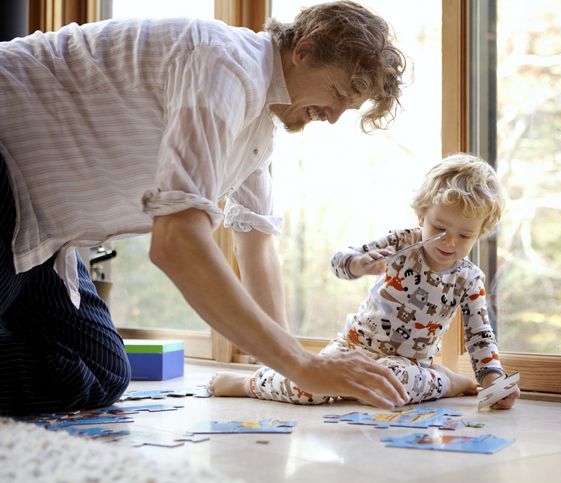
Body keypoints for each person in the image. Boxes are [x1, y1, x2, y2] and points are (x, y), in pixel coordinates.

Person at [0, 1, 411, 415]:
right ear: (303, 51)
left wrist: (289, 371)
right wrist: (302, 364)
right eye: (338, 93)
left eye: (349, 107)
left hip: (41, 231)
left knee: (100, 370)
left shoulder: (257, 133)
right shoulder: (226, 64)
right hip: (5, 172)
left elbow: (256, 244)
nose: (335, 116)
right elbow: (176, 241)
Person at [209, 154, 521, 409]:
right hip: (352, 347)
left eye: (464, 235)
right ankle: (249, 383)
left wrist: (493, 380)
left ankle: (447, 382)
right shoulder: (401, 242)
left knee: (393, 384)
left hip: (406, 364)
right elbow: (339, 263)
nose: (450, 242)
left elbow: (480, 336)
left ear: (480, 233)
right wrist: (358, 264)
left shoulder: (468, 278)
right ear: (422, 215)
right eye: (440, 228)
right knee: (309, 388)